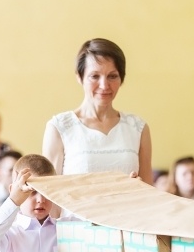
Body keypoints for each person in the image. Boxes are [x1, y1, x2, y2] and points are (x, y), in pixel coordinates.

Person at [42, 38, 152, 184]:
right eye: (95, 76)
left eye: (112, 76)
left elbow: (149, 189)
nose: (104, 85)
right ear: (80, 78)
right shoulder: (59, 127)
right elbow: (50, 194)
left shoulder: (138, 128)